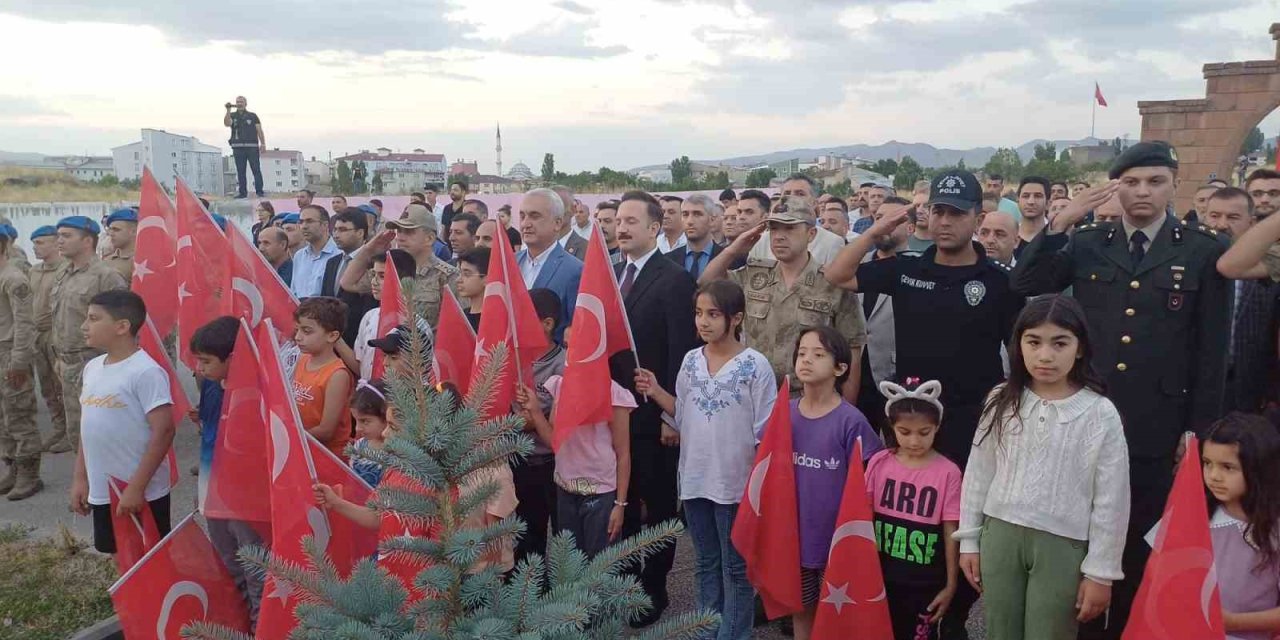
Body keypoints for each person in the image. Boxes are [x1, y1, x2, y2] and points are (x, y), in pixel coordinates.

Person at [1013, 142, 1230, 639]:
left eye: (1155, 181)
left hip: (1156, 425)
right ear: (1116, 187)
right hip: (1087, 416)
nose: (1142, 192)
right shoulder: (1090, 241)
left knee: (1138, 544)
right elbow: (1024, 284)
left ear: (1175, 184)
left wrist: (1196, 430)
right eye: (1131, 182)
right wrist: (1061, 221)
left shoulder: (1201, 249)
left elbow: (1212, 351)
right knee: (1084, 535)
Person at [957, 295, 1130, 640]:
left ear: (1079, 348)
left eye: (1060, 343)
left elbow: (1112, 499)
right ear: (1019, 345)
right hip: (1000, 537)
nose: (1045, 355)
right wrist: (969, 542)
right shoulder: (1001, 399)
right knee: (998, 630)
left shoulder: (1099, 413)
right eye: (1033, 342)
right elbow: (978, 474)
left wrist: (1101, 572)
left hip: (1062, 546)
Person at [633, 279, 777, 640]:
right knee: (705, 563)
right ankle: (705, 631)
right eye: (699, 313)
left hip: (735, 484)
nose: (703, 322)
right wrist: (655, 390)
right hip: (696, 480)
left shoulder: (755, 366)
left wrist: (757, 491)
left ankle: (733, 634)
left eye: (713, 314)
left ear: (736, 318)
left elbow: (766, 432)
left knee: (735, 568)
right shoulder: (691, 361)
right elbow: (683, 414)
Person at [608, 190, 701, 627]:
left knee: (659, 505)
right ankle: (624, 583)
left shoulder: (674, 279)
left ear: (653, 227)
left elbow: (684, 351)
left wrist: (671, 413)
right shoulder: (610, 273)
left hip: (653, 415)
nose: (622, 228)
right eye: (618, 221)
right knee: (622, 502)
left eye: (631, 221)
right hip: (615, 414)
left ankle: (655, 588)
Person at [701, 197, 866, 400]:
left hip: (808, 399)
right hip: (754, 394)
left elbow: (852, 352)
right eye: (775, 229)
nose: (779, 236)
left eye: (789, 229)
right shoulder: (755, 275)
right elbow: (707, 283)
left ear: (811, 234)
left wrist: (845, 411)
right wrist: (735, 249)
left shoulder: (833, 283)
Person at [788, 325, 884, 640]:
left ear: (840, 367)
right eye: (801, 353)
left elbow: (873, 472)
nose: (806, 360)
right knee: (800, 608)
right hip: (795, 536)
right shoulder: (785, 413)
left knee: (838, 615)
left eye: (818, 354)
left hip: (836, 542)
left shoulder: (850, 420)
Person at [68, 290, 176, 555]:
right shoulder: (93, 367)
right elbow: (89, 428)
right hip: (104, 490)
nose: (85, 326)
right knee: (119, 556)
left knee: (149, 560)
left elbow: (164, 431)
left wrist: (136, 488)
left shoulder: (146, 371)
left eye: (93, 318)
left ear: (122, 326)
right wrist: (81, 478)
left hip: (139, 493)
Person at [515, 339, 634, 559]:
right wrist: (535, 410)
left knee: (599, 567)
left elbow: (623, 453)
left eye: (578, 345)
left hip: (599, 494)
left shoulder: (612, 393)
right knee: (569, 564)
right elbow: (554, 440)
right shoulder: (561, 386)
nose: (570, 353)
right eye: (568, 346)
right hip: (565, 489)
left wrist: (620, 504)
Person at [866, 378, 961, 640]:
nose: (914, 441)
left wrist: (951, 585)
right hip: (881, 579)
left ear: (937, 427)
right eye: (905, 432)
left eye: (924, 432)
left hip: (925, 585)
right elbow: (862, 516)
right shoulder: (878, 463)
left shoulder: (948, 472)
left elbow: (950, 529)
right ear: (892, 428)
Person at [190, 315, 267, 628]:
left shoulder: (257, 389)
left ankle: (262, 627)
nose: (200, 369)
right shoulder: (210, 385)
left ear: (233, 359)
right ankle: (240, 625)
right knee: (228, 562)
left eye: (206, 361)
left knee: (255, 568)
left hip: (247, 499)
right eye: (198, 361)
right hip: (214, 491)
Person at [1198, 413, 1280, 640]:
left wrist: (1233, 622)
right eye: (1207, 463)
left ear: (1259, 468)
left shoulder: (1274, 529)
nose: (1214, 476)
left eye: (1227, 467)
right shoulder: (1193, 512)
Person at [51, 216, 128, 452]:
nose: (59, 241)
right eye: (59, 236)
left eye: (66, 236)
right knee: (79, 436)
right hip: (67, 364)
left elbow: (123, 328)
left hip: (94, 364)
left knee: (102, 436)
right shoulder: (64, 274)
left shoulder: (106, 276)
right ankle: (88, 485)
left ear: (87, 241)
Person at [508, 289, 567, 565]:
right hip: (520, 460)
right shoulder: (513, 358)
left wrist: (517, 421)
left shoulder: (562, 364)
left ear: (548, 323)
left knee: (563, 536)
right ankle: (528, 597)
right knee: (526, 538)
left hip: (551, 463)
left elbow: (549, 420)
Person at [1208, 188, 1280, 412]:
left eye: (1233, 217)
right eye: (1215, 215)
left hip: (1250, 382)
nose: (1221, 224)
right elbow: (1230, 266)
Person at [343, 204, 458, 329]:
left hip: (425, 346)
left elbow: (456, 326)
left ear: (429, 238)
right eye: (399, 231)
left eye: (409, 232)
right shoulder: (390, 269)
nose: (400, 238)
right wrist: (368, 250)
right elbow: (348, 284)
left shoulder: (448, 276)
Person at [856, 201, 915, 434]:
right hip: (855, 373)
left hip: (895, 374)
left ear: (910, 228)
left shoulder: (918, 268)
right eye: (879, 218)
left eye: (893, 220)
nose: (884, 225)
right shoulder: (857, 264)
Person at [516, 188, 584, 343]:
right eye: (522, 216)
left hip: (550, 363)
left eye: (535, 216)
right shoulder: (508, 264)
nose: (526, 223)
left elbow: (576, 330)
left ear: (557, 223)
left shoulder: (575, 271)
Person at [291, 297, 355, 460]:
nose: (298, 337)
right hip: (304, 449)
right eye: (297, 329)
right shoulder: (303, 360)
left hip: (328, 458)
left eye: (307, 331)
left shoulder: (337, 375)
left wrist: (291, 436)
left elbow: (326, 430)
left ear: (332, 336)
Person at [0, 226, 38, 501]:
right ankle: (11, 466)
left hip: (10, 352)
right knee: (3, 418)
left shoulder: (13, 278)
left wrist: (19, 361)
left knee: (18, 413)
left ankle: (29, 474)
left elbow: (25, 323)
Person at [348, 250, 421, 382]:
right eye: (373, 274)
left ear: (403, 281)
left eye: (382, 276)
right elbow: (359, 364)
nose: (374, 282)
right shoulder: (369, 317)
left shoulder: (417, 324)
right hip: (368, 393)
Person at [748, 175, 847, 265]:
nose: (792, 198)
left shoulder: (832, 243)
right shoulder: (762, 241)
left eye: (800, 194)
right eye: (786, 194)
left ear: (814, 203)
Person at [28, 226, 66, 453]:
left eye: (41, 242)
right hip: (36, 334)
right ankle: (58, 427)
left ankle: (72, 431)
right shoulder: (34, 271)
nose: (35, 247)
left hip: (56, 332)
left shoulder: (64, 270)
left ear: (55, 244)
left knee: (62, 384)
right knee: (47, 386)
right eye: (34, 242)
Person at [321, 209, 375, 346]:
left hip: (359, 340)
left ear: (360, 233)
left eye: (343, 230)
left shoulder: (373, 264)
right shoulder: (332, 262)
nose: (336, 235)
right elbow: (325, 300)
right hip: (331, 340)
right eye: (335, 230)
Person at [665, 194, 725, 280]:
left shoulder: (728, 258)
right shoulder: (668, 260)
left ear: (711, 220)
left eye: (697, 214)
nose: (690, 221)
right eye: (685, 214)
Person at [290, 204, 340, 299]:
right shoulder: (299, 256)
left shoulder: (339, 254)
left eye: (309, 221)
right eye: (301, 222)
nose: (304, 226)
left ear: (325, 225)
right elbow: (294, 292)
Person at [348, 380, 389, 488]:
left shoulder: (397, 455)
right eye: (356, 421)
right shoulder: (360, 445)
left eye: (365, 421)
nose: (357, 428)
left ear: (386, 416)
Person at [223, 96, 265, 198]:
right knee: (240, 171)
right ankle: (242, 193)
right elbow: (227, 123)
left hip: (252, 147)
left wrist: (263, 143)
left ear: (245, 103)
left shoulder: (252, 116)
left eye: (241, 102)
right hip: (238, 147)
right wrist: (228, 110)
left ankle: (259, 191)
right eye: (237, 102)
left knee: (256, 169)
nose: (239, 103)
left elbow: (259, 129)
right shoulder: (232, 115)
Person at [1014, 176, 1050, 259]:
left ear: (1048, 203)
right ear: (1018, 201)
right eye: (1026, 196)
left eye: (1038, 196)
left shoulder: (1056, 238)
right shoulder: (1009, 237)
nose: (1031, 202)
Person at [456, 248, 488, 331]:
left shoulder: (496, 320)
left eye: (466, 274)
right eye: (460, 273)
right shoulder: (459, 317)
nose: (459, 280)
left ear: (487, 278)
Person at [103, 208, 138, 282]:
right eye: (110, 229)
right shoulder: (106, 261)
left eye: (116, 230)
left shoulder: (142, 261)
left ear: (133, 231)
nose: (111, 234)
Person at [595, 200, 624, 265]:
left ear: (620, 223)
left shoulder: (627, 255)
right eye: (599, 221)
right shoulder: (590, 251)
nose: (601, 226)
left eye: (607, 221)